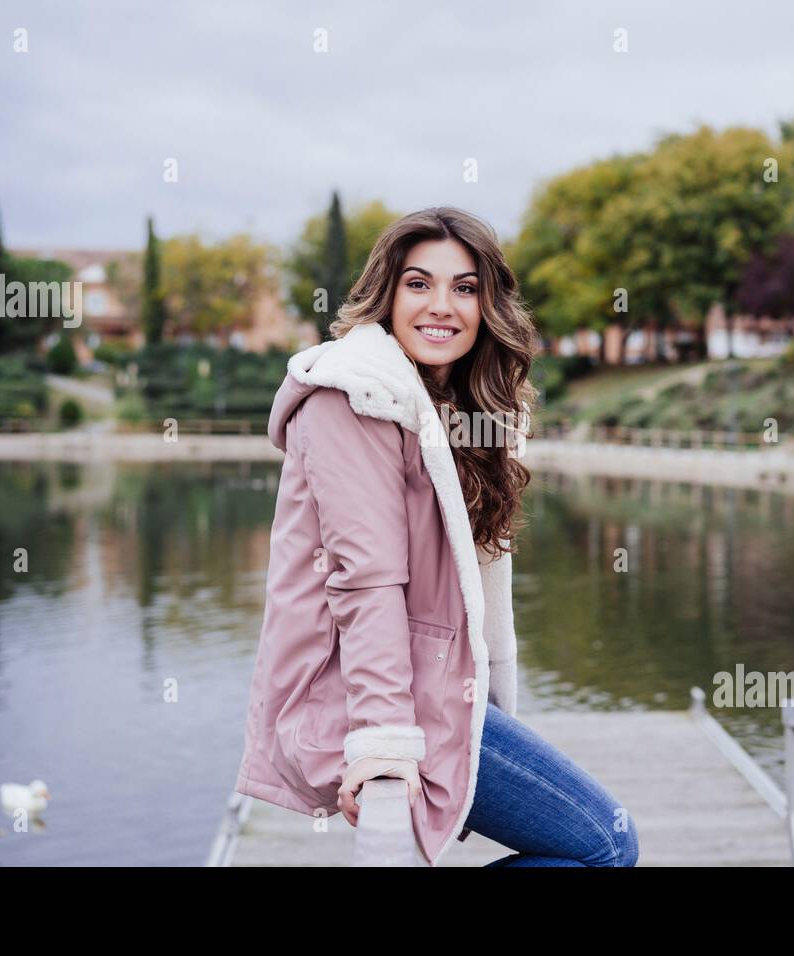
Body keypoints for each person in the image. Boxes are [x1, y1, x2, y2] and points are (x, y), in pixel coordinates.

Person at [234, 206, 638, 867]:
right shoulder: (351, 396)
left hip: (441, 685)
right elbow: (367, 585)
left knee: (602, 846)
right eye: (419, 284)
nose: (441, 305)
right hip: (376, 697)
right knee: (606, 844)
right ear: (386, 294)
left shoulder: (454, 405)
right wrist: (384, 741)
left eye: (465, 287)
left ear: (488, 304)